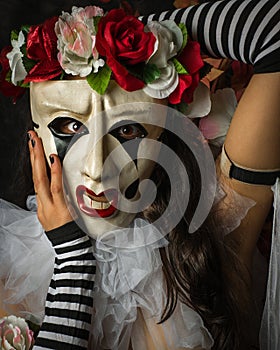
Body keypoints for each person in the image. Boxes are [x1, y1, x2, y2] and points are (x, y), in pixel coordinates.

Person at [0, 0, 279, 349]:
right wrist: (73, 257)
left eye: (128, 131)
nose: (96, 169)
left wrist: (146, 41)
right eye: (70, 126)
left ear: (165, 137)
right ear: (35, 139)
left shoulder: (211, 241)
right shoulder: (8, 269)